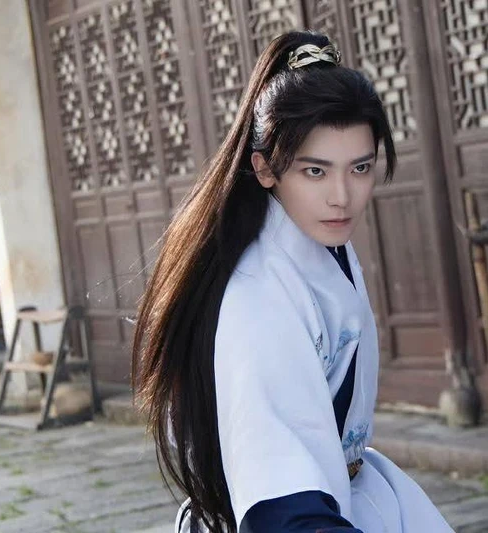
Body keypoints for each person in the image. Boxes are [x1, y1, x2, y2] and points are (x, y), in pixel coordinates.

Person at [132, 31, 453, 533]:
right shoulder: (260, 296)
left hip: (351, 491)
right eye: (315, 172)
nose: (342, 196)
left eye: (360, 168)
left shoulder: (316, 236)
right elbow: (284, 507)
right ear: (265, 169)